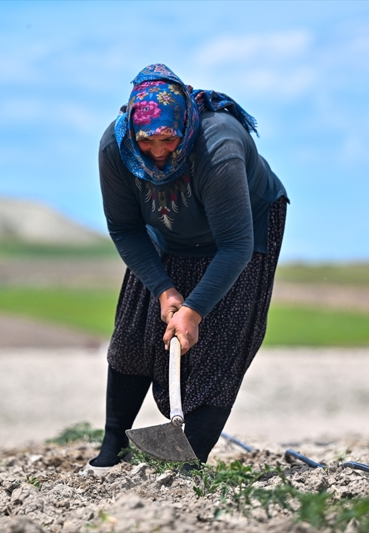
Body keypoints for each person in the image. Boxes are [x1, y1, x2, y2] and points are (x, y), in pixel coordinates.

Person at [90, 64, 288, 470]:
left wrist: (194, 311)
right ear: (131, 131)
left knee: (220, 342)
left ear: (185, 124)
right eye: (148, 142)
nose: (159, 151)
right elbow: (126, 229)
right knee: (134, 332)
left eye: (168, 139)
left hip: (242, 232)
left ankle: (189, 458)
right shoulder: (116, 147)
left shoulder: (219, 148)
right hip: (168, 229)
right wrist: (166, 291)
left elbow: (236, 246)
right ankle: (112, 449)